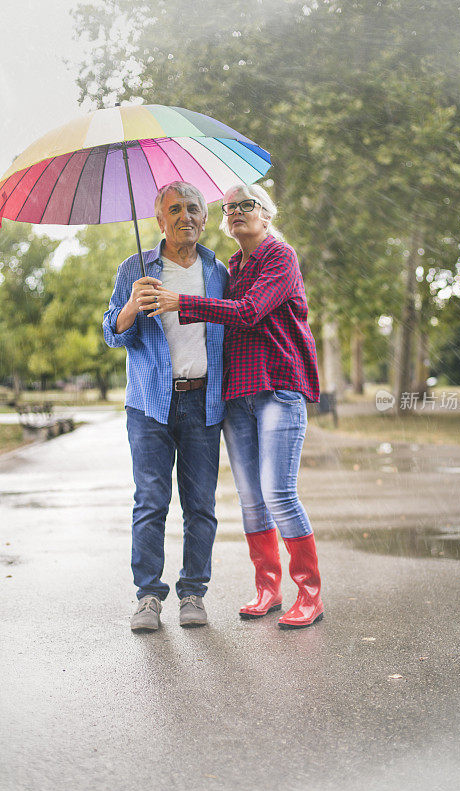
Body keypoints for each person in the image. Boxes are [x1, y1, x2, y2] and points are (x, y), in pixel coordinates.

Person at [143, 183, 324, 629]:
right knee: (250, 499)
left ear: (266, 214)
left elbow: (247, 312)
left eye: (250, 205)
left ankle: (310, 593)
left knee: (279, 493)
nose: (240, 211)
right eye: (232, 207)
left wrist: (181, 301)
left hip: (279, 386)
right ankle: (268, 587)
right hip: (237, 395)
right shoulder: (231, 265)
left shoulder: (281, 256)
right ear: (224, 219)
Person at [103, 181, 227, 631]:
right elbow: (113, 333)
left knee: (200, 505)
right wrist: (132, 307)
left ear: (204, 218)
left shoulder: (218, 272)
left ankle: (193, 592)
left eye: (193, 208)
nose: (185, 217)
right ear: (160, 221)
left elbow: (234, 323)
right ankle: (148, 597)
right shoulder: (135, 268)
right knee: (151, 503)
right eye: (174, 210)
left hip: (202, 401)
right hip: (150, 405)